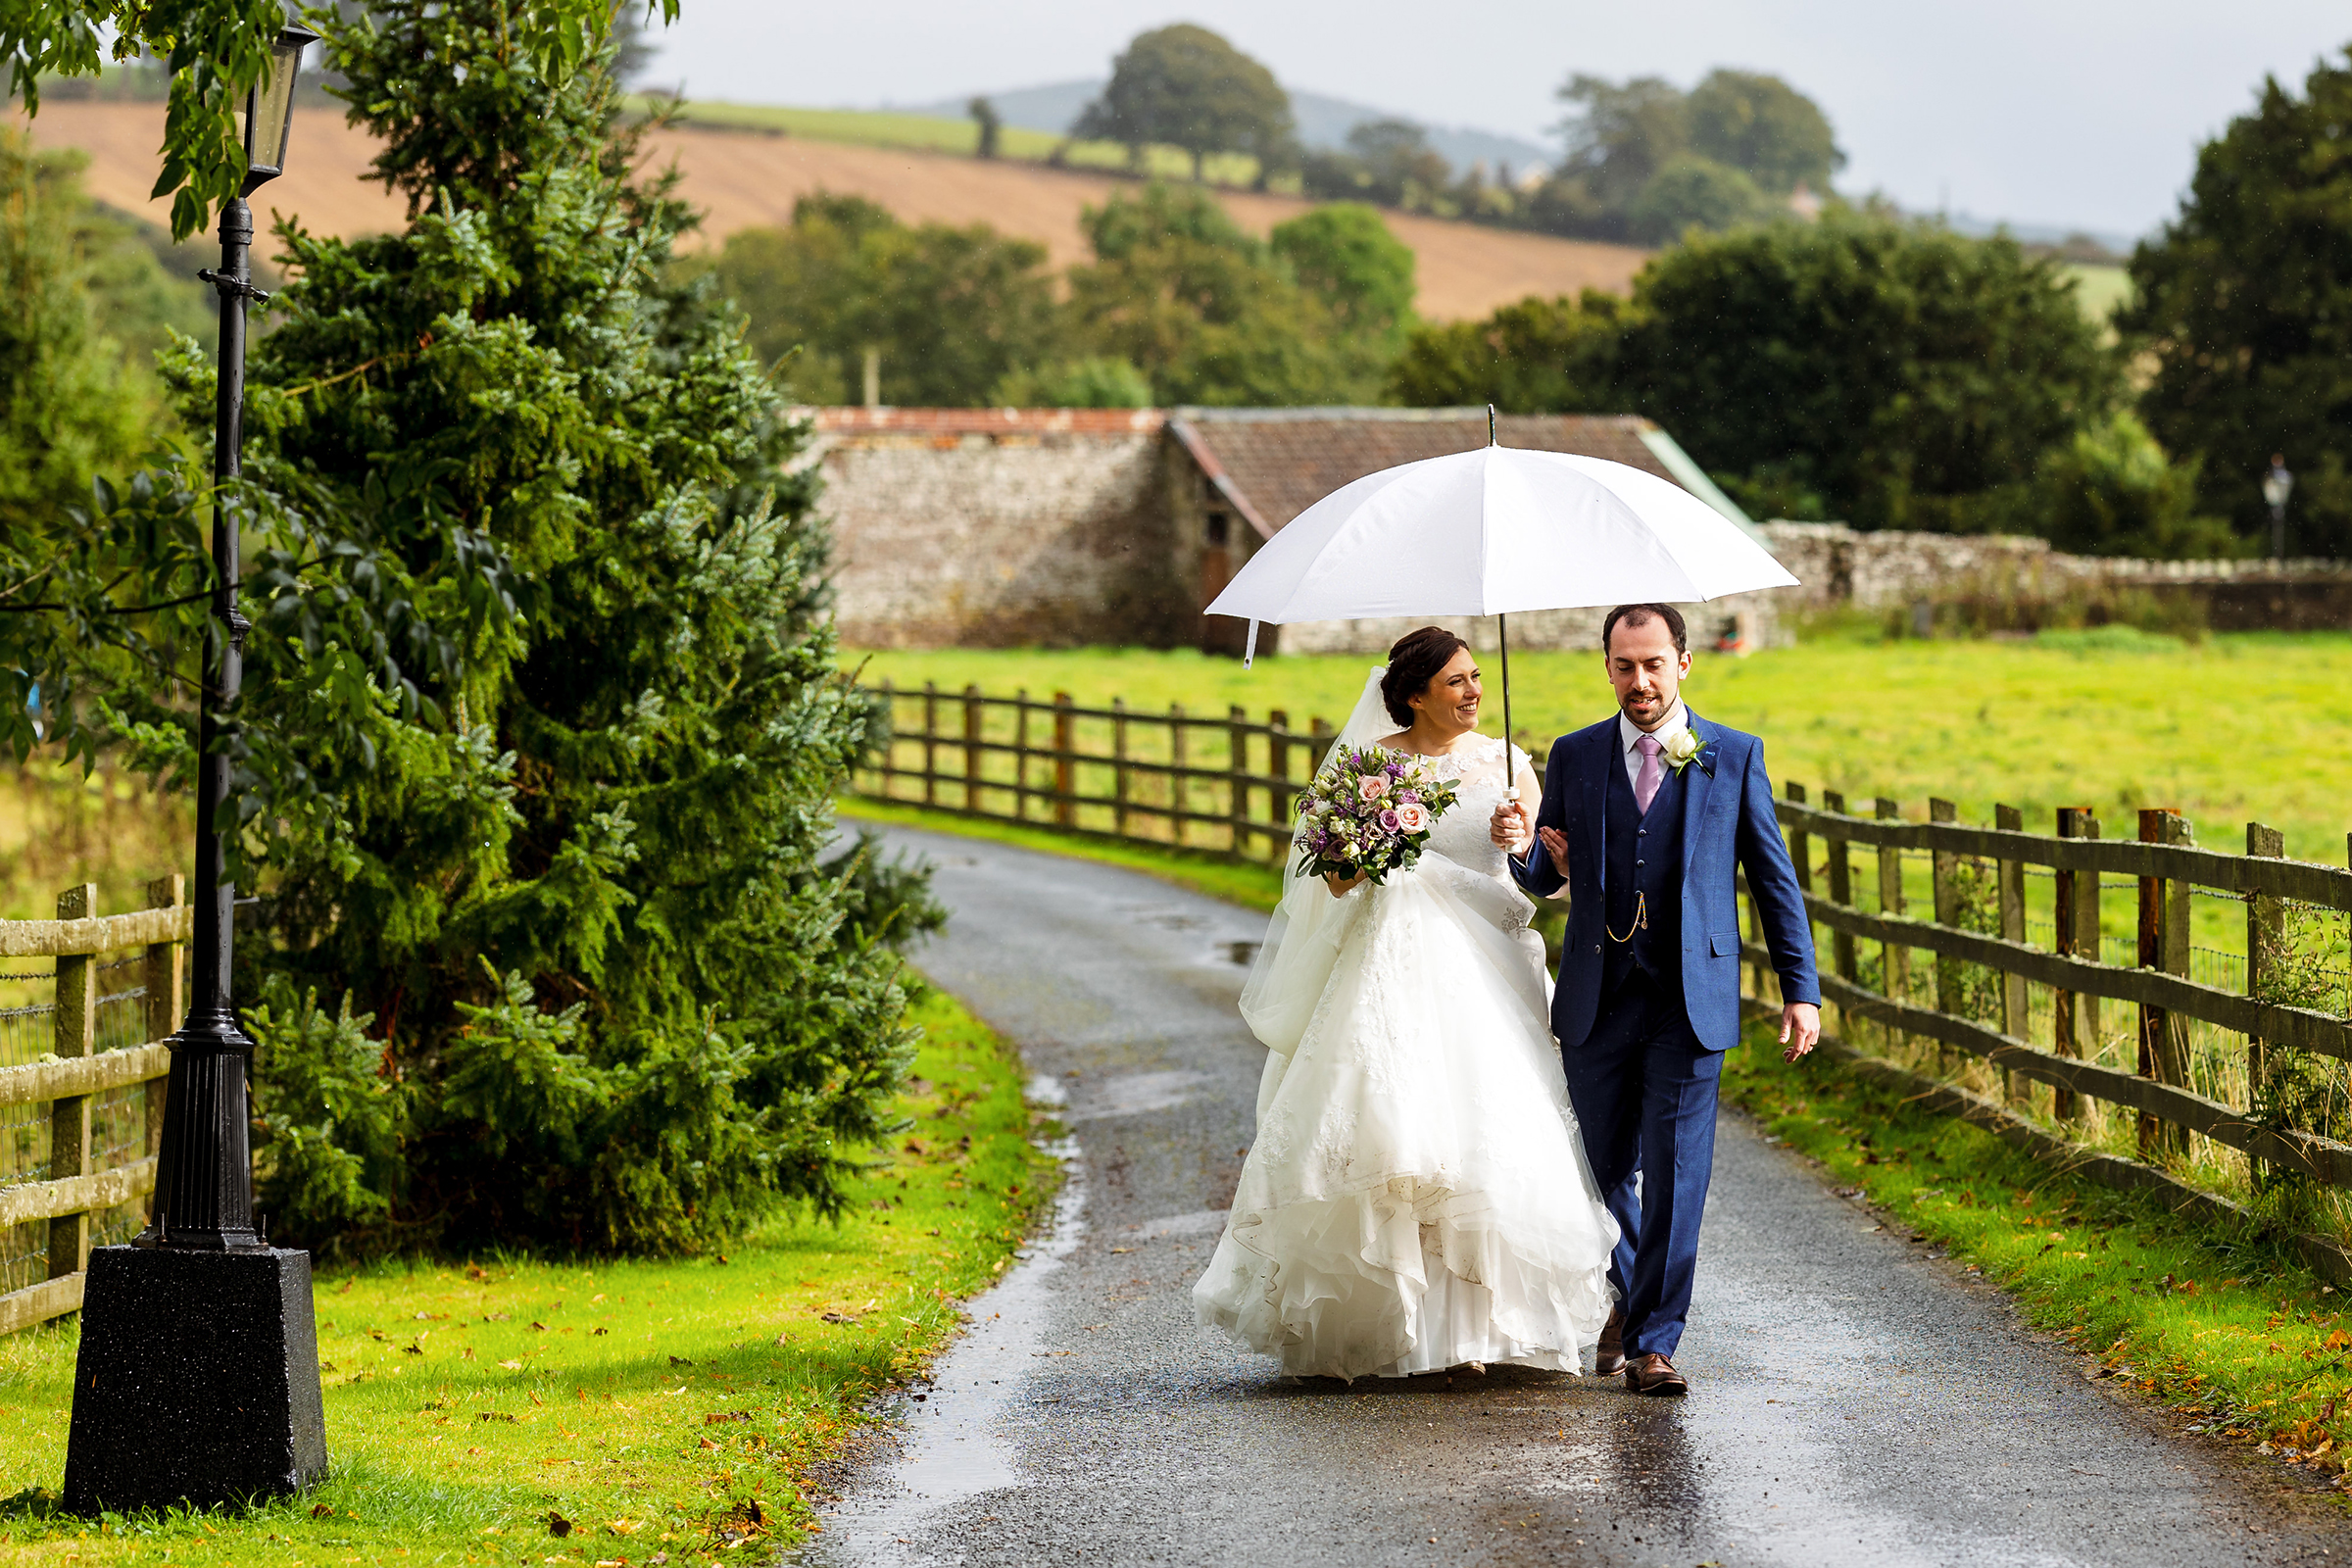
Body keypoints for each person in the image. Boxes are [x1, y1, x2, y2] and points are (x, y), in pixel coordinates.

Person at [1194, 627, 1621, 1382]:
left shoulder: (1507, 762)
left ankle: (1488, 1326)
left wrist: (1519, 839)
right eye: (1455, 682)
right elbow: (1331, 882)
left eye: (1476, 678)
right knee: (1396, 1132)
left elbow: (1546, 874)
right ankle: (1396, 1324)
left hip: (1491, 968)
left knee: (1488, 1133)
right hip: (1390, 965)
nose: (1472, 692)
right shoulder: (1370, 766)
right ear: (1415, 693)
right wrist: (1379, 849)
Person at [1490, 603, 1820, 1396]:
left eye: (1653, 664)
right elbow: (1547, 877)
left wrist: (1799, 991)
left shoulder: (1732, 756)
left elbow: (1775, 882)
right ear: (1606, 667)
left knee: (1677, 1176)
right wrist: (1522, 849)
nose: (1639, 681)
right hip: (1598, 996)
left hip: (1689, 998)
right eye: (1624, 665)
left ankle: (1653, 1342)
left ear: (1684, 663)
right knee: (1597, 1171)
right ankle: (1627, 1298)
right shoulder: (1573, 756)